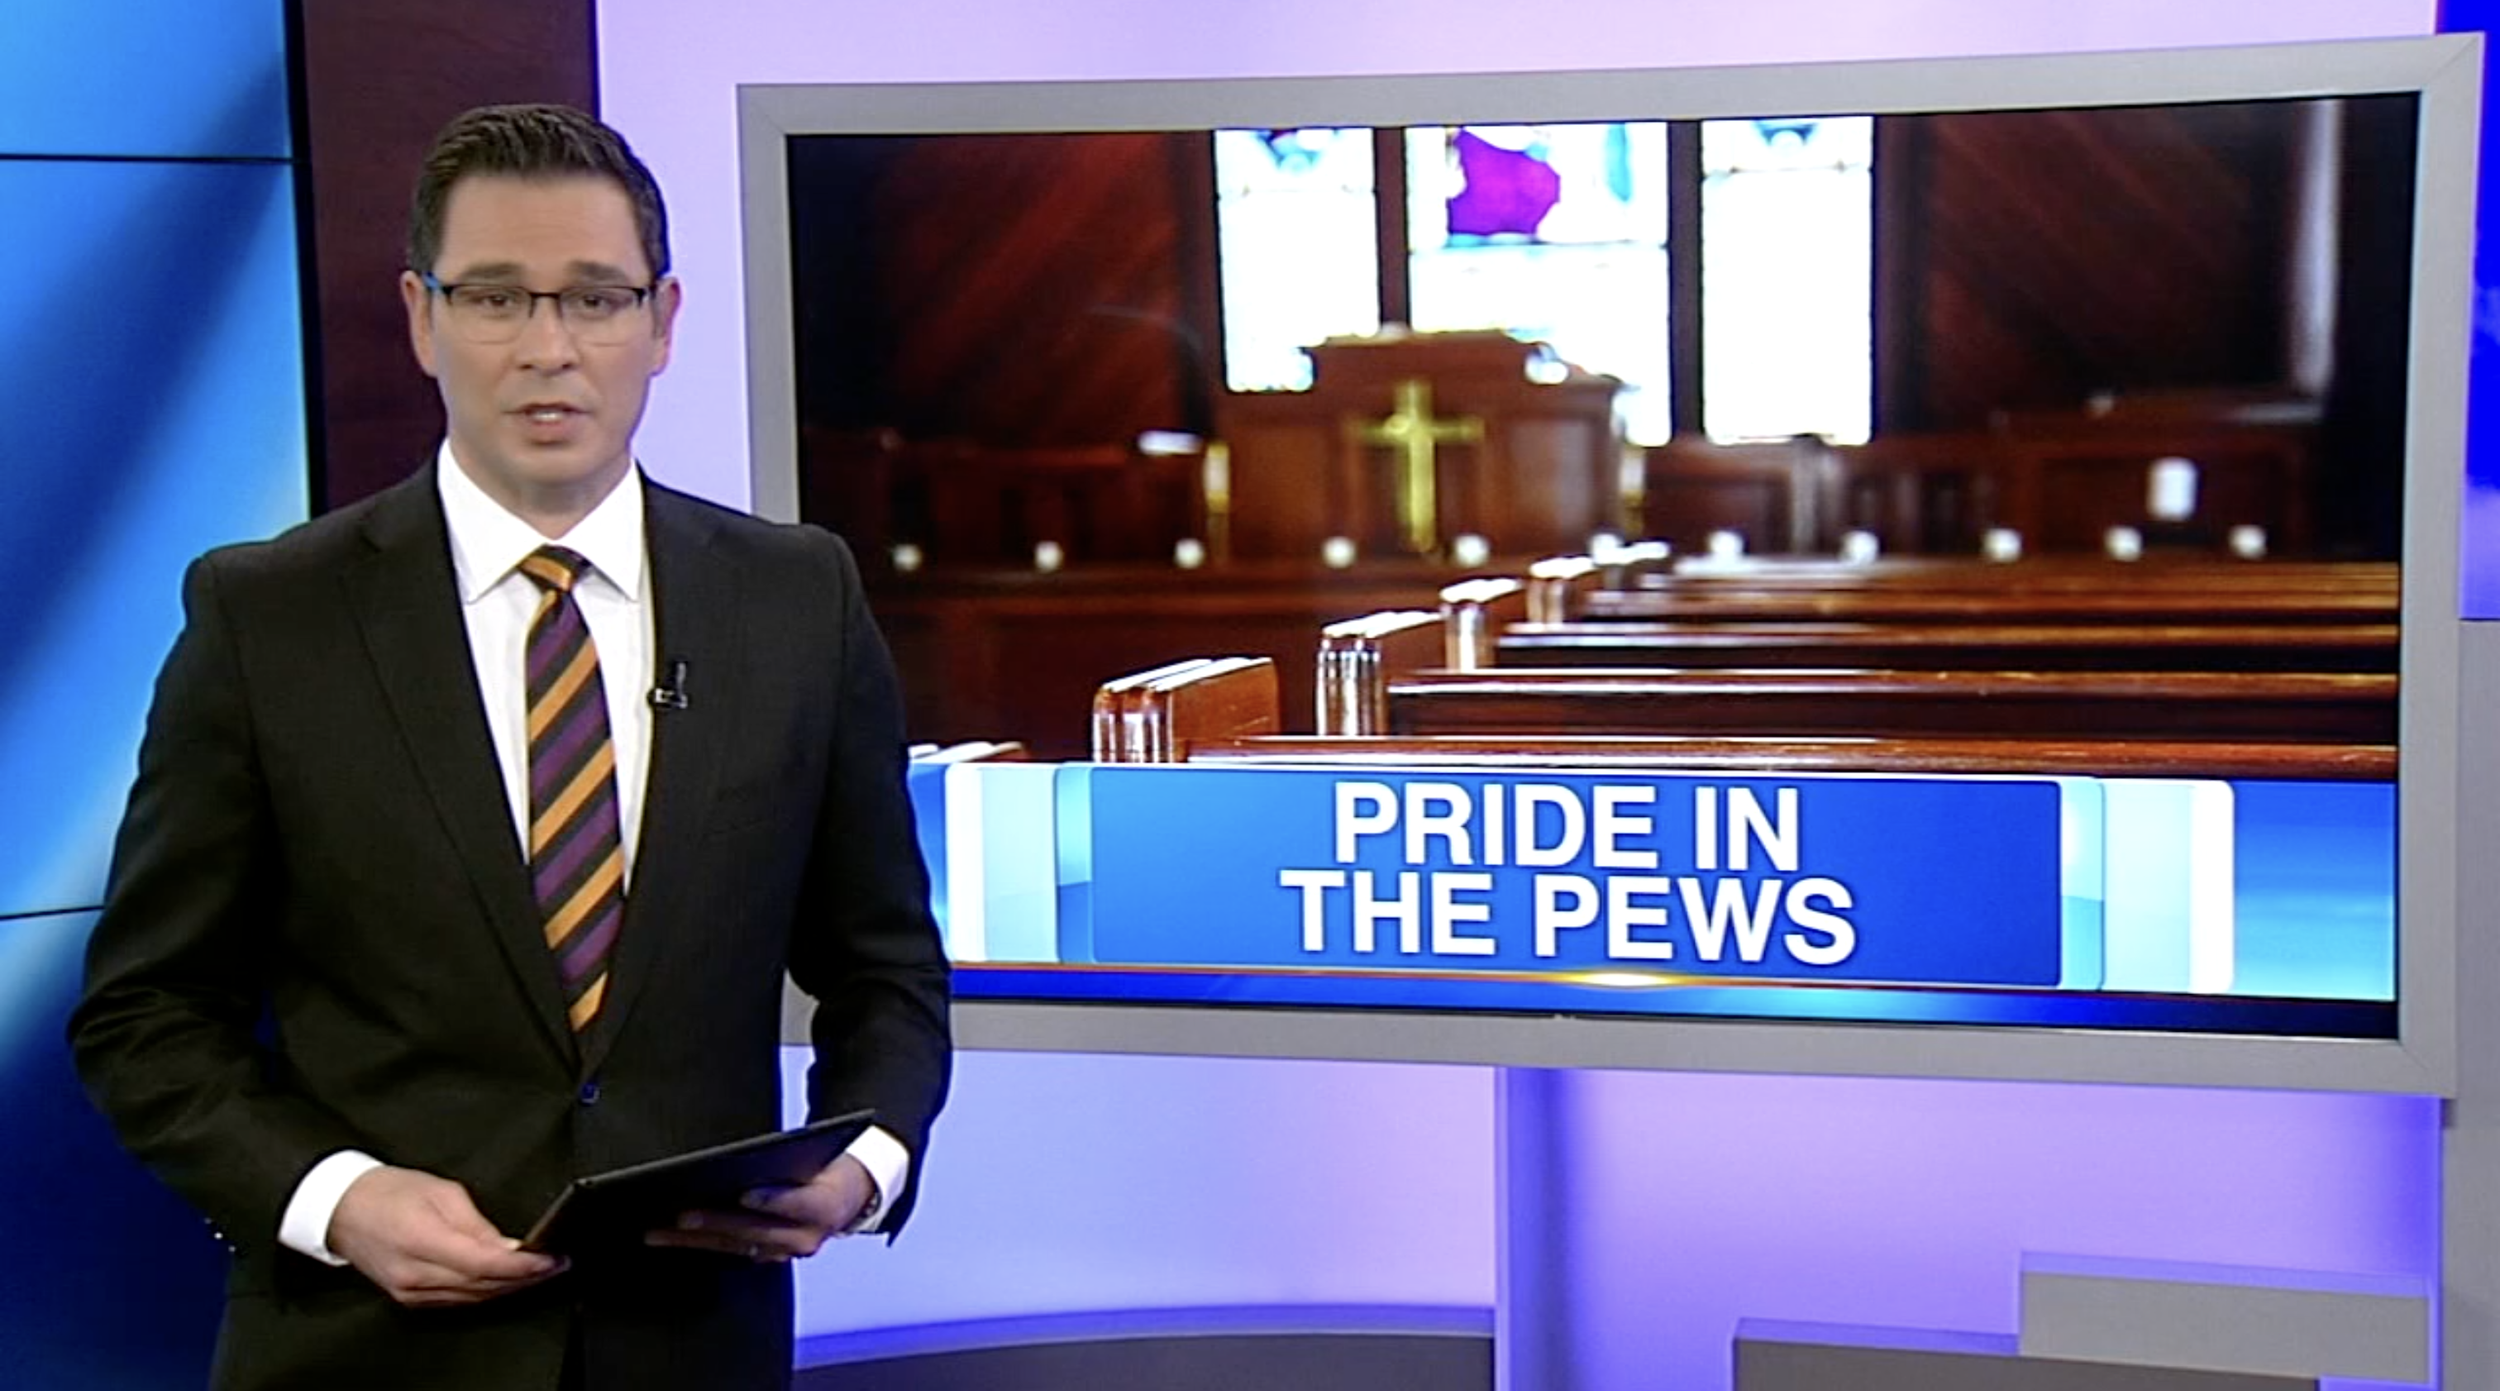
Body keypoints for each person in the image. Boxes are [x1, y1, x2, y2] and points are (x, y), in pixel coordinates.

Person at [68, 103, 952, 1391]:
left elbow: (883, 970)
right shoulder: (269, 615)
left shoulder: (795, 599)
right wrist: (335, 1196)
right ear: (423, 318)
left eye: (596, 299)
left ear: (664, 322)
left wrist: (863, 1162)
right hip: (363, 1354)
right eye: (496, 299)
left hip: (690, 1347)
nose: (550, 348)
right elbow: (148, 1014)